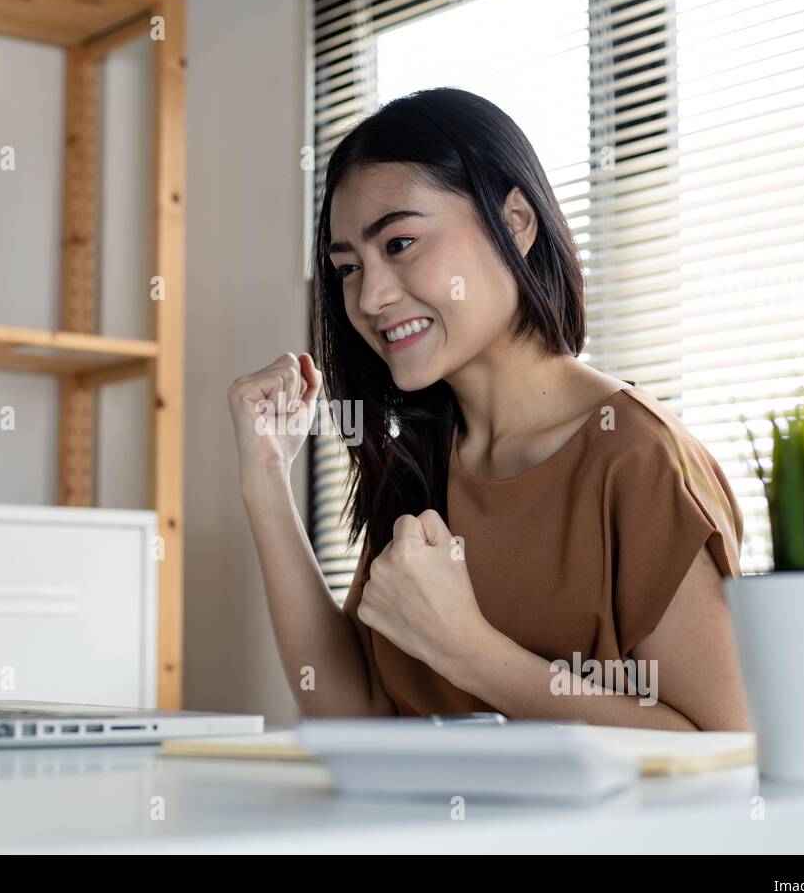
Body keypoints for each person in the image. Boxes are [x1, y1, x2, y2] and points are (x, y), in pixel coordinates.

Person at [227, 87, 750, 731]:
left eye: (398, 244)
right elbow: (352, 712)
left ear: (518, 223)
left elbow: (723, 751)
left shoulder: (637, 460)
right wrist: (265, 479)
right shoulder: (421, 457)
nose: (369, 298)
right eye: (348, 267)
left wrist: (468, 651)